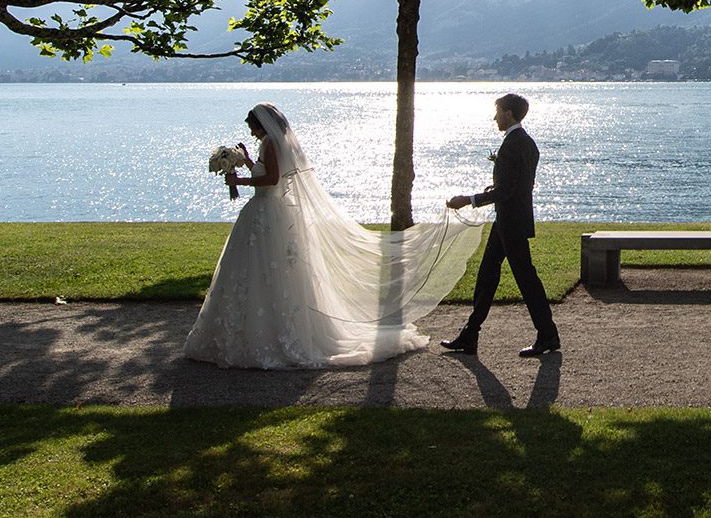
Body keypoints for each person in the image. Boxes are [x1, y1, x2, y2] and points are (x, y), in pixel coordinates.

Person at [182, 103, 486, 369]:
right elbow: (268, 173)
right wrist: (247, 162)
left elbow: (272, 179)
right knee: (262, 273)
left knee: (266, 272)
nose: (251, 133)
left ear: (261, 125)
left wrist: (241, 178)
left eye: (252, 127)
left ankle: (264, 336)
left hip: (266, 214)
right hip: (265, 214)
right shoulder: (270, 145)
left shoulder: (271, 145)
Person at [440, 93, 560, 358]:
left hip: (511, 223)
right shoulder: (528, 143)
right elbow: (519, 185)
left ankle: (548, 335)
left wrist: (469, 200)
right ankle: (470, 335)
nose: (494, 117)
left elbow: (507, 190)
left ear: (508, 113)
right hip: (509, 220)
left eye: (497, 112)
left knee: (526, 279)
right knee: (487, 276)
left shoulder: (512, 145)